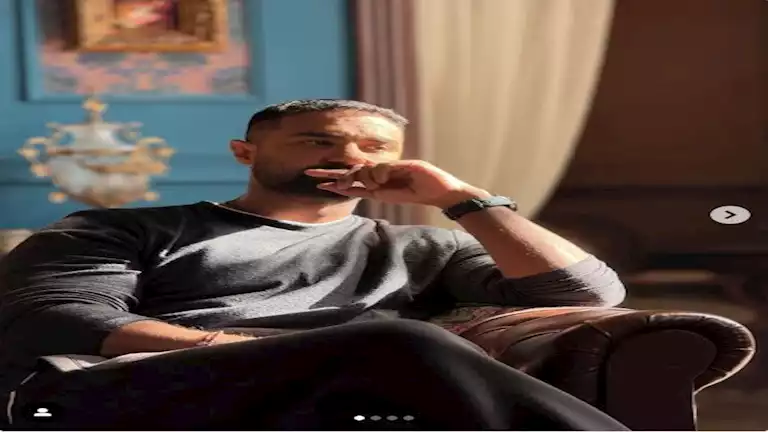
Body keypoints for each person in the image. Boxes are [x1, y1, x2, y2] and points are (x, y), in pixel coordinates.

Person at [0, 99, 627, 430]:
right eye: (317, 140)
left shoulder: (426, 247)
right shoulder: (121, 226)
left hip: (335, 393)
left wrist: (462, 199)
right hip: (129, 386)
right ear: (245, 152)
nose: (350, 155)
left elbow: (585, 294)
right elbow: (60, 318)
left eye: (373, 146)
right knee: (398, 343)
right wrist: (261, 350)